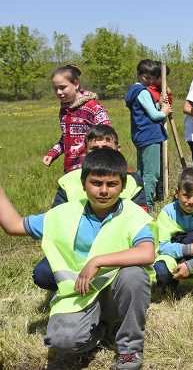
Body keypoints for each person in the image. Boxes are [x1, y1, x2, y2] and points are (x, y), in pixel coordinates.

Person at [0, 148, 155, 370]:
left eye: (111, 184)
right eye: (96, 183)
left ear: (122, 186)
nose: (103, 190)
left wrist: (98, 261)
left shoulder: (133, 214)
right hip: (80, 294)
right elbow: (14, 225)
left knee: (134, 275)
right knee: (62, 341)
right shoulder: (64, 213)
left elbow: (147, 252)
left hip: (114, 295)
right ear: (83, 184)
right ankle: (99, 332)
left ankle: (129, 349)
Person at [33, 124, 148, 292]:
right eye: (94, 149)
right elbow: (55, 223)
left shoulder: (132, 181)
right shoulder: (69, 181)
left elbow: (141, 225)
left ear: (118, 149)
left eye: (107, 147)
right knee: (43, 273)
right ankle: (78, 289)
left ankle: (113, 291)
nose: (103, 190)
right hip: (77, 252)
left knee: (140, 273)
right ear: (86, 152)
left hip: (117, 252)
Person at [43, 65, 111, 173]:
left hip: (91, 168)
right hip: (70, 169)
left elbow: (108, 134)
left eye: (62, 87)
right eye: (55, 89)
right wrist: (53, 153)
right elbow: (66, 136)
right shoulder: (64, 110)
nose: (58, 92)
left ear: (75, 84)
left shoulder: (93, 107)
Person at [125, 59, 172, 209]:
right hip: (149, 136)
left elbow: (148, 109)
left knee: (142, 172)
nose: (150, 81)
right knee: (152, 174)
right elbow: (154, 115)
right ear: (140, 75)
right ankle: (147, 205)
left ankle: (138, 201)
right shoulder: (142, 92)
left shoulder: (135, 91)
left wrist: (159, 105)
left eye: (152, 78)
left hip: (141, 135)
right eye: (148, 78)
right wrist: (163, 112)